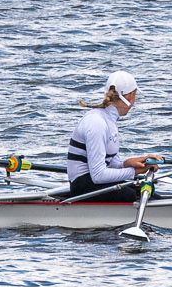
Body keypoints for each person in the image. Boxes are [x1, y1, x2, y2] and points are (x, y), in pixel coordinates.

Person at [64, 71, 159, 202]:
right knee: (142, 196)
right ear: (131, 96)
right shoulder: (97, 123)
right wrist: (135, 172)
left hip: (93, 183)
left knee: (146, 192)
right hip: (83, 187)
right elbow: (98, 175)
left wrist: (128, 164)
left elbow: (110, 165)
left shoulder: (108, 120)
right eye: (135, 95)